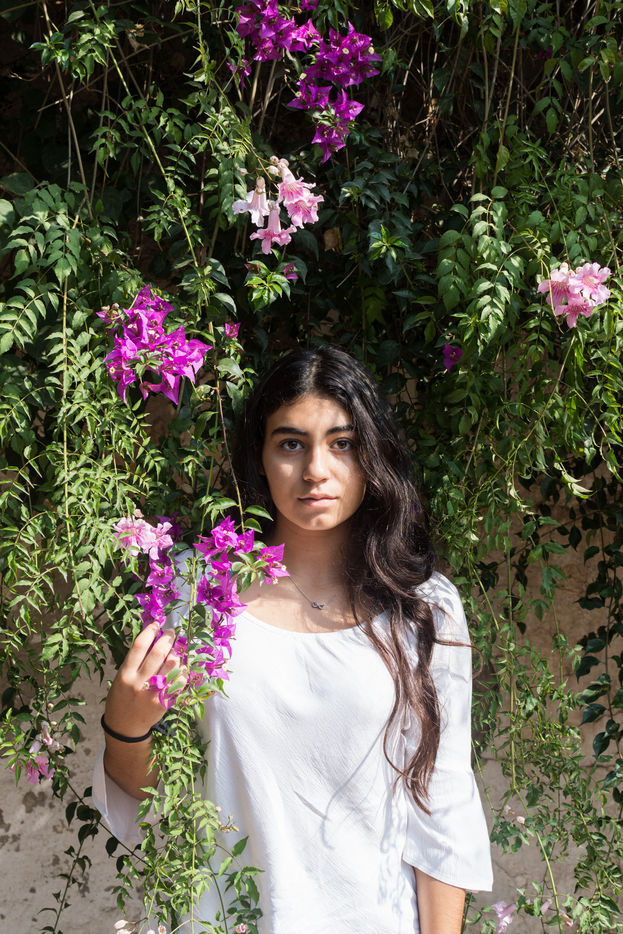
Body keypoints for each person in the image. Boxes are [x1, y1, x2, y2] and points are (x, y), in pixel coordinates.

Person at [94, 345, 493, 934]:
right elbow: (160, 794)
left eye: (343, 443)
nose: (315, 470)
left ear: (373, 454)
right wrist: (125, 726)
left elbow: (442, 804)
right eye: (290, 444)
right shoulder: (192, 592)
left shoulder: (423, 609)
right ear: (259, 456)